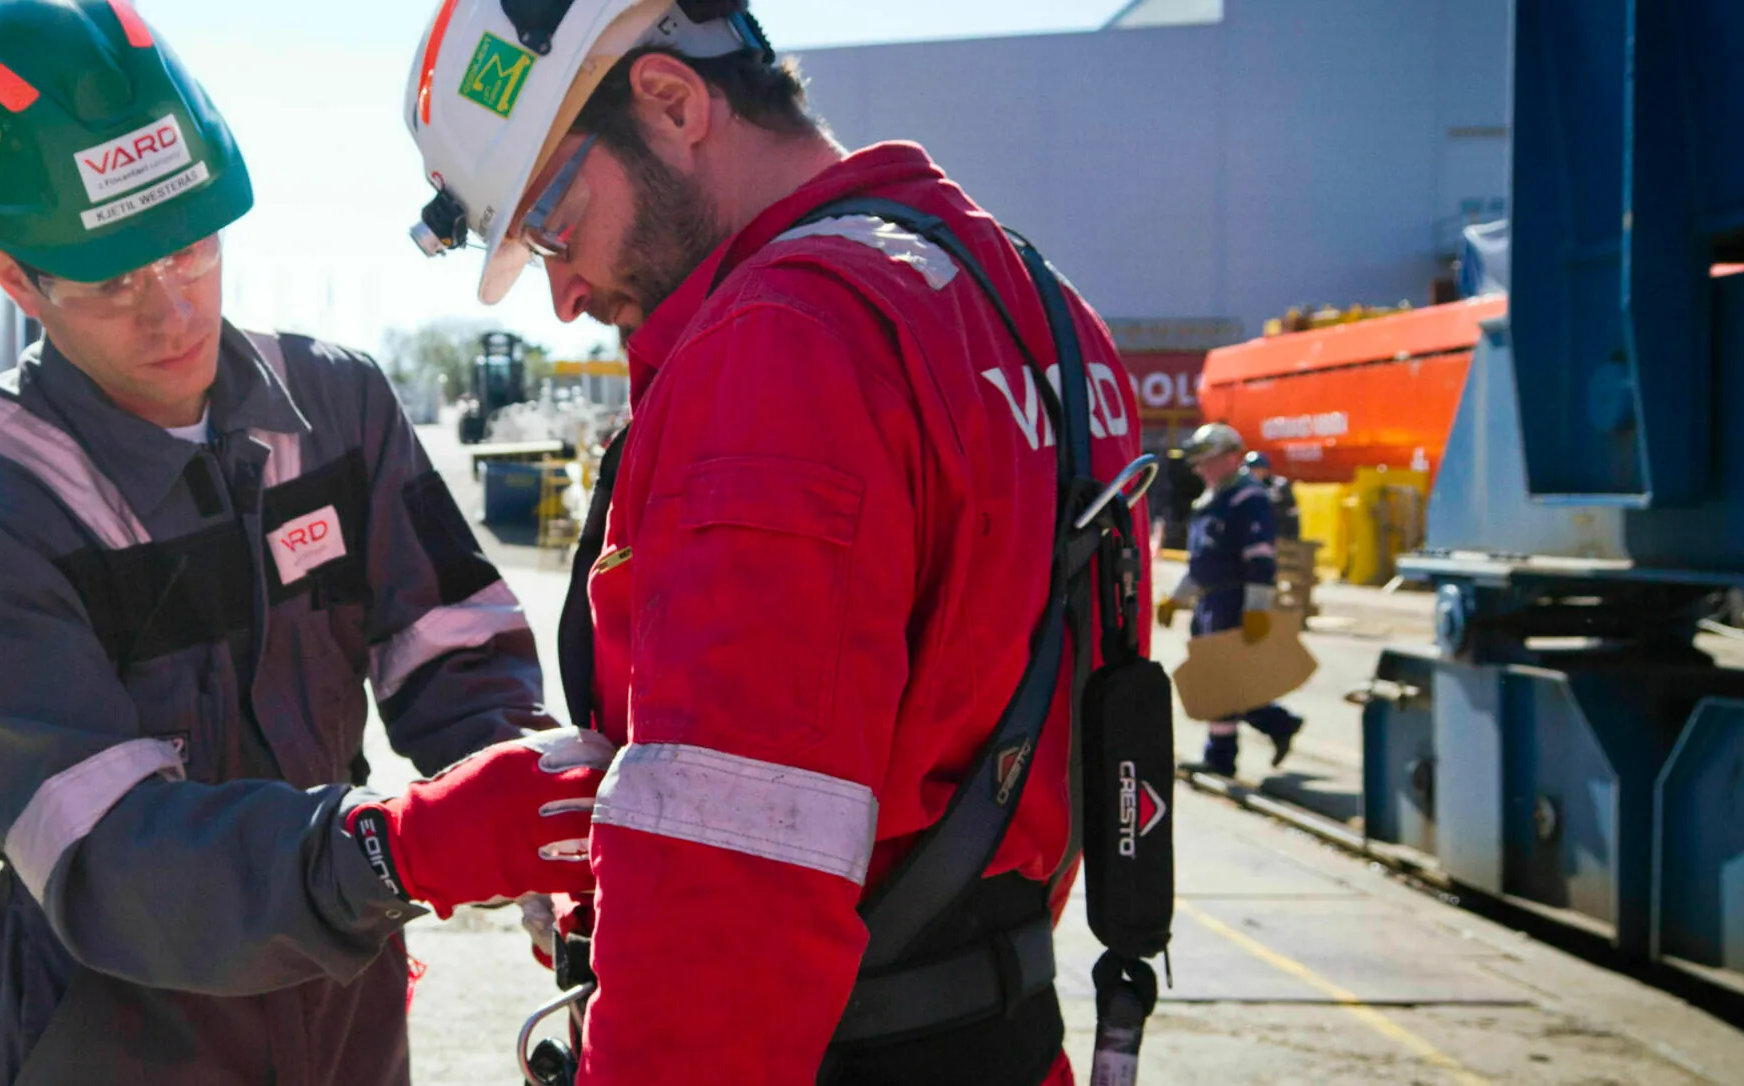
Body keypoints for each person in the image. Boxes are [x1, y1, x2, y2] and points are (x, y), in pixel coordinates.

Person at [400, 3, 1148, 1083]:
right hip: (1004, 1033)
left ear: (669, 102)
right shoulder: (1032, 306)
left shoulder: (781, 344)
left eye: (553, 221)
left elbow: (725, 895)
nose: (563, 297)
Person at [0, 4, 608, 1082]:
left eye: (189, 250)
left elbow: (447, 648)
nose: (171, 315)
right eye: (113, 282)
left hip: (346, 1011)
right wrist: (392, 847)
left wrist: (521, 804)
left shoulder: (336, 405)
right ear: (13, 276)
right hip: (127, 1033)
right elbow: (109, 861)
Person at [1160, 424, 1304, 775]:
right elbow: (1203, 562)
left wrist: (1256, 607)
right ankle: (1263, 731)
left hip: (1233, 600)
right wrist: (1177, 599)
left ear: (1230, 458)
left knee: (1224, 680)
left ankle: (1237, 746)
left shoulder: (1247, 498)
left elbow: (1260, 557)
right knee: (1217, 679)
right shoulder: (1209, 501)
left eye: (1206, 462)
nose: (1200, 470)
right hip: (1210, 603)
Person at [1245, 449, 1302, 540]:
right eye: (1251, 470)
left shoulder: (1279, 485)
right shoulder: (1245, 487)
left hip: (1280, 535)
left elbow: (1289, 512)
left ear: (1265, 469)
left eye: (1257, 469)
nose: (1253, 473)